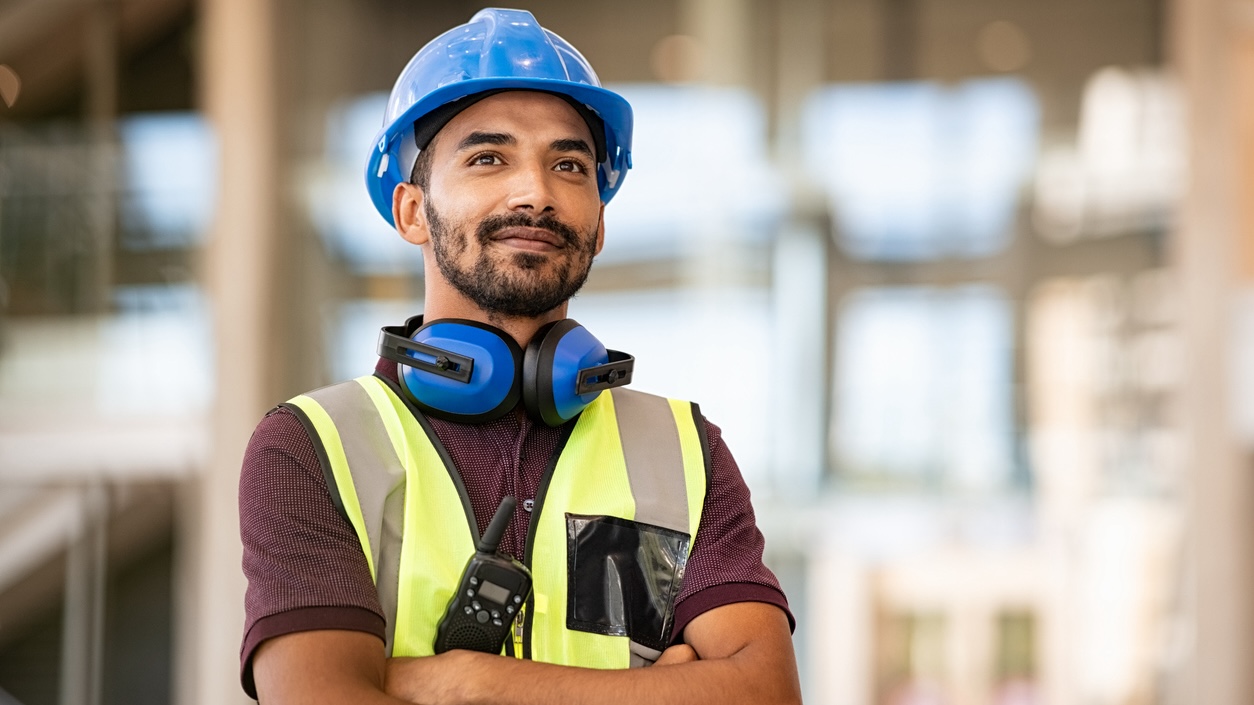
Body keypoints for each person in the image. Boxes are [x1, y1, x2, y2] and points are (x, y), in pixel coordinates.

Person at [239, 8, 801, 704]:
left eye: (568, 164)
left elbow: (764, 691)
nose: (535, 192)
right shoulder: (313, 447)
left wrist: (465, 681)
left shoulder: (684, 451)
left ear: (598, 223)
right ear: (412, 210)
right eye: (488, 158)